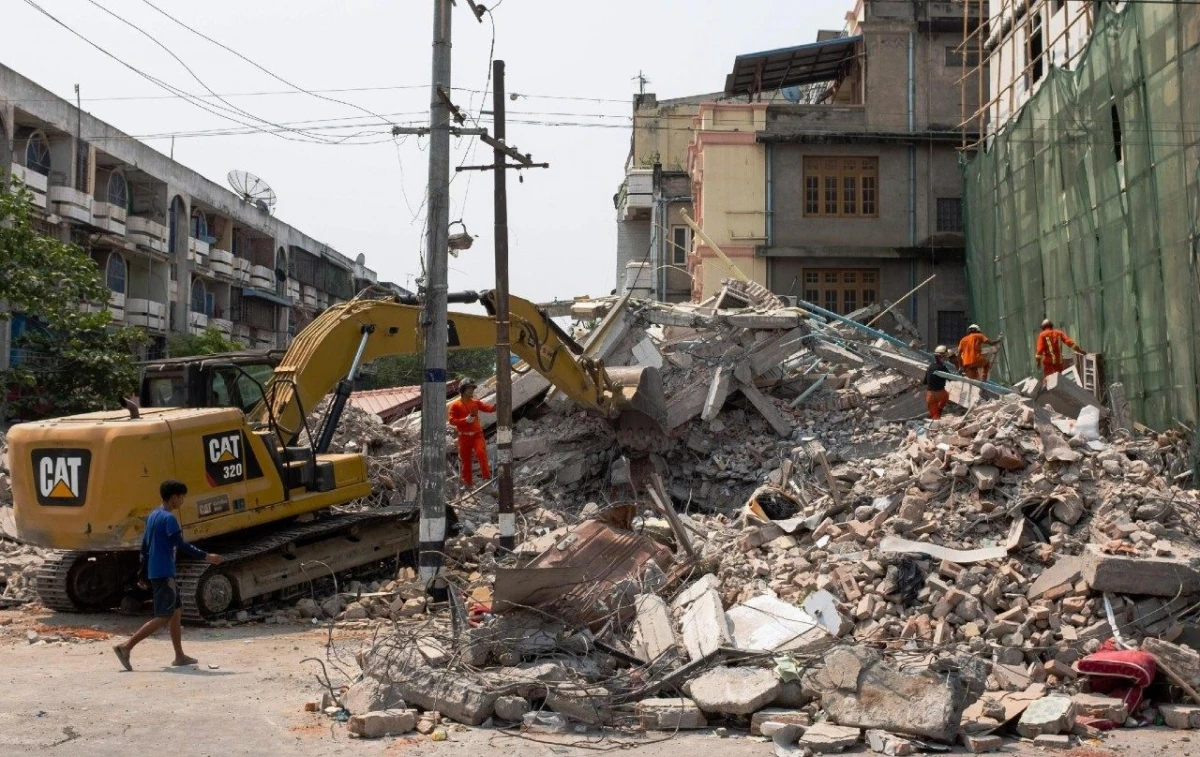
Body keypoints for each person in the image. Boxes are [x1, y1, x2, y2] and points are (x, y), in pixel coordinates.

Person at [112, 480, 222, 671]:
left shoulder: (154, 515)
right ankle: (126, 647)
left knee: (176, 612)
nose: (182, 501)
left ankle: (179, 656)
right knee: (163, 616)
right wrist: (207, 556)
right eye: (181, 497)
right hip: (164, 572)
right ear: (173, 498)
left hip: (157, 570)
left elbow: (145, 546)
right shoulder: (169, 519)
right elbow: (181, 544)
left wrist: (142, 572)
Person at [447, 379, 495, 487]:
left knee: (481, 453)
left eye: (472, 388)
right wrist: (465, 420)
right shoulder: (455, 405)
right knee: (466, 460)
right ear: (463, 390)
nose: (471, 391)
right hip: (464, 437)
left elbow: (488, 408)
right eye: (469, 388)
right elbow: (451, 420)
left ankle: (486, 478)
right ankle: (467, 483)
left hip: (477, 435)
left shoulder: (475, 402)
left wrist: (496, 406)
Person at [924, 346, 952, 421]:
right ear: (941, 357)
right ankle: (940, 410)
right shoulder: (943, 368)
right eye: (944, 358)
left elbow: (925, 382)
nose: (945, 360)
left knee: (935, 416)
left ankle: (936, 419)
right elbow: (951, 378)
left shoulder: (930, 367)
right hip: (940, 393)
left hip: (929, 395)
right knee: (946, 396)